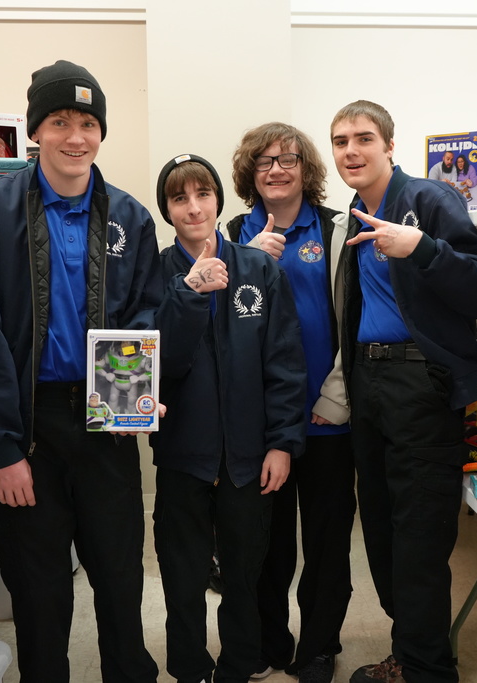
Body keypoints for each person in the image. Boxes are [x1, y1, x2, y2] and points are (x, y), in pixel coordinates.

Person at [0, 60, 161, 683]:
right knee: (40, 595)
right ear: (36, 131)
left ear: (102, 132)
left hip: (106, 424)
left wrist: (136, 395)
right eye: (60, 122)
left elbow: (142, 315)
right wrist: (2, 449)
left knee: (121, 583)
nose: (76, 137)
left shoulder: (129, 217)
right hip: (31, 430)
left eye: (88, 123)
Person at [329, 100, 477, 683]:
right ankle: (410, 656)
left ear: (389, 146)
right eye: (340, 140)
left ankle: (428, 671)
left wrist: (421, 248)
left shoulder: (428, 200)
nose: (350, 150)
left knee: (420, 540)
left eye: (363, 138)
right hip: (368, 382)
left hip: (419, 383)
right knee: (379, 532)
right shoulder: (353, 213)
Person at [151, 153, 307, 683]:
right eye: (179, 198)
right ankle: (190, 666)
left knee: (244, 571)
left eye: (203, 194)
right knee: (182, 573)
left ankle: (242, 663)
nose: (193, 208)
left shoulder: (258, 268)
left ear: (219, 200)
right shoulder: (156, 274)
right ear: (167, 211)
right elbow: (157, 362)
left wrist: (283, 443)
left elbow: (285, 364)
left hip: (248, 457)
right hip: (182, 457)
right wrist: (189, 292)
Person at [226, 122, 356, 683]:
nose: (276, 169)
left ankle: (319, 647)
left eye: (288, 159)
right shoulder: (231, 232)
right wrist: (244, 264)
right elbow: (217, 327)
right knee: (266, 546)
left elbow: (355, 320)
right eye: (264, 161)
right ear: (249, 173)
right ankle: (268, 641)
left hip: (327, 417)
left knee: (326, 546)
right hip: (263, 428)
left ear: (307, 169)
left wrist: (338, 398)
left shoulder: (335, 230)